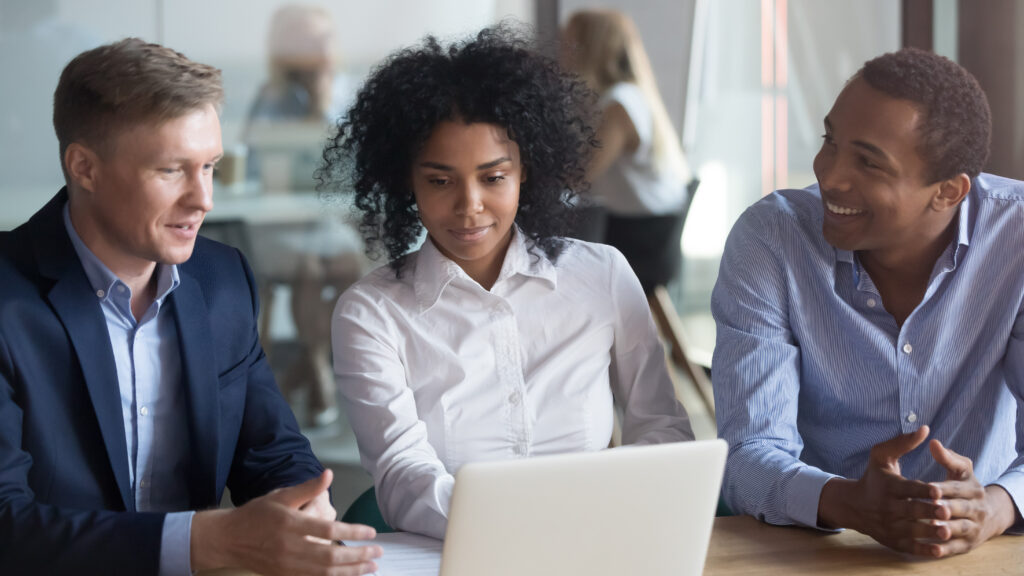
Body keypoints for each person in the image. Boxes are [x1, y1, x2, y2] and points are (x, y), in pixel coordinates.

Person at [0, 38, 380, 575]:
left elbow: (272, 451)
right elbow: (7, 526)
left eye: (210, 167)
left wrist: (303, 504)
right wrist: (206, 542)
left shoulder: (221, 278)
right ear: (84, 167)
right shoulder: (8, 301)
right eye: (171, 170)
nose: (204, 199)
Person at [320, 26, 694, 540]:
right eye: (440, 180)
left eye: (493, 177)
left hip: (598, 547)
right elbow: (404, 475)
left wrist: (613, 516)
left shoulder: (601, 275)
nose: (469, 205)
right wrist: (521, 530)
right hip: (460, 556)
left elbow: (664, 431)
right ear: (406, 180)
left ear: (526, 171)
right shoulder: (371, 313)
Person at [713, 47, 1024, 558]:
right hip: (813, 552)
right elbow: (747, 457)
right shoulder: (771, 239)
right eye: (829, 141)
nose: (829, 175)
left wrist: (994, 508)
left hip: (986, 555)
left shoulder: (1014, 240)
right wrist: (850, 503)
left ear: (948, 191)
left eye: (868, 162)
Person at [561, 9, 695, 291]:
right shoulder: (627, 96)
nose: (561, 51)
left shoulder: (619, 106)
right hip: (640, 226)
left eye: (570, 43)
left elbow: (580, 175)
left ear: (591, 49)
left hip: (645, 237)